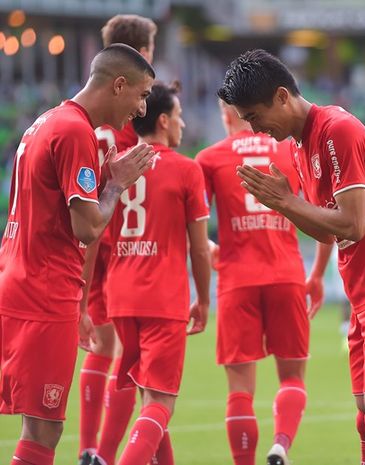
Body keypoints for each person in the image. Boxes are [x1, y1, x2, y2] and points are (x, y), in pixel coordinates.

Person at [221, 49, 365, 465]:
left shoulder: (337, 131)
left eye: (254, 116)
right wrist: (285, 204)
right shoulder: (301, 143)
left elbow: (354, 224)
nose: (255, 129)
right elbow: (326, 229)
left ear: (282, 96)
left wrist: (285, 201)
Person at [0, 44, 155, 465]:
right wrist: (116, 183)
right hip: (43, 292)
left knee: (36, 424)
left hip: (18, 279)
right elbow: (86, 227)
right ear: (118, 85)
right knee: (44, 428)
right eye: (141, 94)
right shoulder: (75, 131)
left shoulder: (46, 121)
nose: (142, 109)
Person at [91, 81, 210, 465]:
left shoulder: (118, 168)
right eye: (178, 117)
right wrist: (204, 299)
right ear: (163, 121)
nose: (183, 125)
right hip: (163, 298)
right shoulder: (187, 169)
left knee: (145, 394)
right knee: (160, 402)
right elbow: (198, 247)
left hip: (121, 296)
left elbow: (97, 234)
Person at [195, 100, 317, 465]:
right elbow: (321, 211)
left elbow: (196, 227)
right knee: (293, 377)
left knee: (240, 391)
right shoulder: (289, 148)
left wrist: (211, 248)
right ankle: (280, 444)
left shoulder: (210, 157)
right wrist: (317, 272)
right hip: (287, 274)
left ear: (224, 113)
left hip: (237, 278)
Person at [78, 14, 158, 465]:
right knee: (132, 355)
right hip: (123, 240)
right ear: (142, 54)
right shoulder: (128, 119)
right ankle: (102, 453)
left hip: (96, 238)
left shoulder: (87, 110)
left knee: (110, 348)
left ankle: (94, 447)